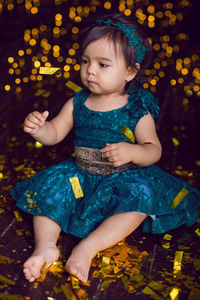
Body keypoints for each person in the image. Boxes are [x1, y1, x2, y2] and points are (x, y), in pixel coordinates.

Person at [11, 13, 200, 284]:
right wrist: (40, 129)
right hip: (80, 174)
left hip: (121, 178)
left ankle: (89, 247)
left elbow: (153, 149)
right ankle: (46, 245)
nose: (90, 71)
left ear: (130, 72)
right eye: (85, 61)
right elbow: (55, 132)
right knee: (50, 194)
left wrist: (133, 152)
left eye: (103, 64)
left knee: (139, 200)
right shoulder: (77, 101)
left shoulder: (136, 109)